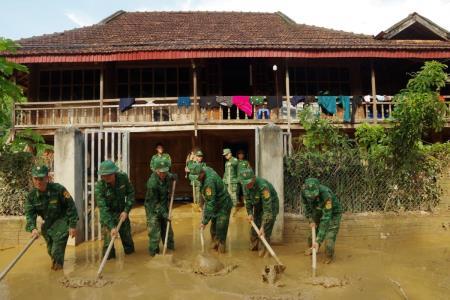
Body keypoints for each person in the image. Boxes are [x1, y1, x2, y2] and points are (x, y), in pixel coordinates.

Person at [25, 165, 78, 270]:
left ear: (47, 178)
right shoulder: (31, 196)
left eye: (41, 178)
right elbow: (30, 214)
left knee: (56, 251)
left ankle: (57, 274)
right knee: (51, 251)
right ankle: (56, 266)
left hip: (62, 221)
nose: (38, 182)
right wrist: (33, 228)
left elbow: (71, 206)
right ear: (32, 179)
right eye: (36, 179)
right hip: (48, 225)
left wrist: (72, 225)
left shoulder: (58, 189)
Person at [188, 162, 232, 253]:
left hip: (223, 204)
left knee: (220, 228)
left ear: (202, 173)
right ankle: (214, 246)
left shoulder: (209, 182)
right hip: (215, 203)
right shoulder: (204, 168)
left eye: (197, 177)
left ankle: (221, 250)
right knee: (213, 229)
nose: (196, 180)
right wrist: (201, 203)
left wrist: (204, 222)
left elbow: (210, 204)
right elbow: (206, 197)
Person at [95, 160, 135, 259]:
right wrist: (112, 226)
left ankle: (131, 263)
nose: (106, 178)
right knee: (108, 245)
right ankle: (109, 265)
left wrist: (126, 210)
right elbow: (103, 209)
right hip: (108, 217)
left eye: (108, 175)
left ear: (114, 173)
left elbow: (131, 194)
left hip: (122, 214)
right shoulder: (100, 187)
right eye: (103, 176)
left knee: (128, 242)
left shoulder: (123, 178)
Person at [301, 178, 343, 264]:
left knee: (329, 238)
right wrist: (310, 219)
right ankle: (313, 248)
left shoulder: (326, 195)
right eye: (310, 196)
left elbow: (326, 218)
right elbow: (305, 206)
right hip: (317, 210)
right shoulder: (303, 191)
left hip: (333, 213)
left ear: (318, 189)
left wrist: (319, 240)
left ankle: (328, 256)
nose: (311, 197)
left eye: (314, 195)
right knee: (311, 235)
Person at [239, 168, 279, 257]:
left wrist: (263, 226)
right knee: (254, 229)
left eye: (249, 183)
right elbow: (248, 201)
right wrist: (250, 213)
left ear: (253, 178)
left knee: (265, 231)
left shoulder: (263, 186)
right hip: (258, 204)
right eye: (246, 183)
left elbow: (267, 209)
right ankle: (254, 246)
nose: (248, 185)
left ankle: (265, 251)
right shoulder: (245, 185)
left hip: (270, 205)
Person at [145, 157, 177, 256]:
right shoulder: (152, 184)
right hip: (153, 209)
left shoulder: (166, 175)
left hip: (164, 205)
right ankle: (154, 255)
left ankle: (171, 250)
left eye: (165, 172)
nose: (164, 174)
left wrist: (174, 177)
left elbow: (171, 176)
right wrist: (165, 214)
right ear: (156, 170)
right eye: (161, 172)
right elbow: (155, 204)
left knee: (168, 231)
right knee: (155, 234)